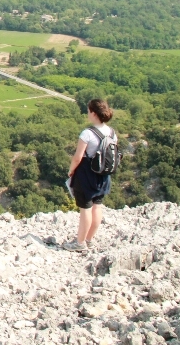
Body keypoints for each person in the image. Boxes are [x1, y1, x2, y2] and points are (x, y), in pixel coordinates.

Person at [63, 99, 115, 252]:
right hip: (103, 175)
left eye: (88, 111)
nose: (87, 113)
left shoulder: (87, 133)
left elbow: (78, 157)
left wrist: (71, 170)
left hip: (86, 174)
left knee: (85, 208)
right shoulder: (112, 132)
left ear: (93, 113)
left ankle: (79, 244)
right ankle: (89, 239)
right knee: (97, 206)